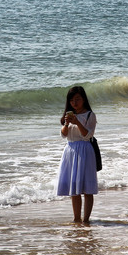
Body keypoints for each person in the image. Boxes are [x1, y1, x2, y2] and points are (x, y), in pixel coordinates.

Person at [57, 86, 98, 224]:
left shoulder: (89, 115)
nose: (74, 102)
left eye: (78, 99)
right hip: (71, 150)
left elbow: (88, 135)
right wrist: (67, 124)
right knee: (74, 188)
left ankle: (86, 220)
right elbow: (63, 135)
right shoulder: (68, 117)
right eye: (72, 100)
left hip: (85, 150)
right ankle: (76, 219)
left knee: (87, 189)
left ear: (84, 100)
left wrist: (77, 122)